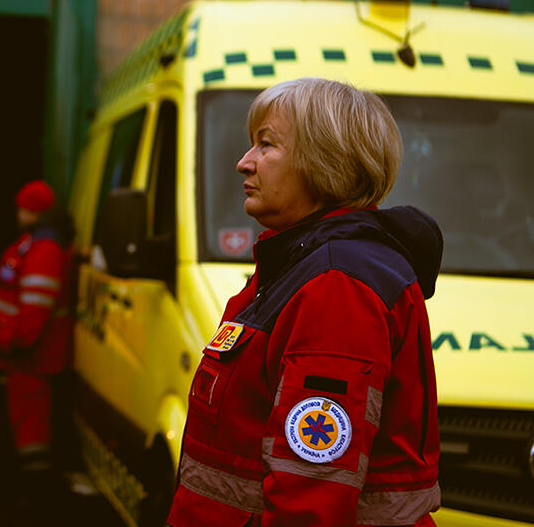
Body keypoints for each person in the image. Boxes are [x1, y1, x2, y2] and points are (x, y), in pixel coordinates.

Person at [167, 78, 443, 526]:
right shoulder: (298, 263)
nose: (244, 163)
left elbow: (311, 498)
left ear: (322, 162)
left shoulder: (338, 286)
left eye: (265, 145)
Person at [0, 179, 74, 497]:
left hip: (31, 357)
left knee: (32, 427)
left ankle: (35, 491)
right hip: (24, 356)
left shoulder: (44, 248)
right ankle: (31, 482)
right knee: (27, 422)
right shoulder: (34, 242)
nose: (18, 214)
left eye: (22, 208)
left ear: (32, 211)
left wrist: (17, 342)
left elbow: (35, 305)